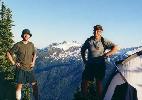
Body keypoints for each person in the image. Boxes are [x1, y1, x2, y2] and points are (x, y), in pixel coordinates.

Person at [81, 25, 118, 99]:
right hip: (90, 64)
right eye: (95, 30)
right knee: (85, 81)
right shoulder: (89, 40)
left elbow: (115, 47)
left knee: (99, 83)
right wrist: (84, 60)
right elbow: (83, 49)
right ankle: (84, 97)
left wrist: (107, 54)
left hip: (100, 65)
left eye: (98, 31)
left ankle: (99, 98)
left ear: (101, 32)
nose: (96, 32)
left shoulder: (104, 41)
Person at [7, 29, 38, 100]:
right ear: (22, 35)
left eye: (28, 34)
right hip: (20, 69)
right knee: (19, 86)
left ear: (29, 36)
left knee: (34, 85)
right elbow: (9, 53)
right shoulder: (18, 45)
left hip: (29, 68)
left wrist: (33, 62)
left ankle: (37, 98)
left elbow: (34, 53)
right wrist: (13, 62)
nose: (26, 35)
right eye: (25, 34)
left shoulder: (31, 44)